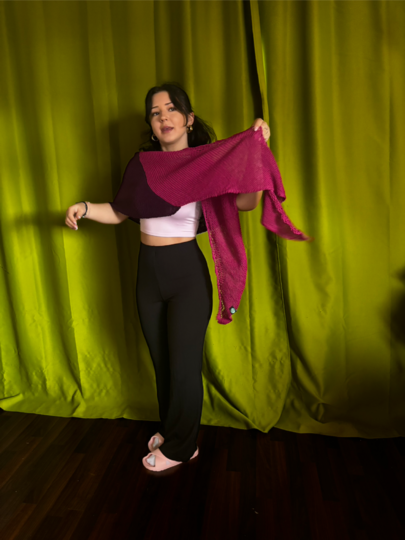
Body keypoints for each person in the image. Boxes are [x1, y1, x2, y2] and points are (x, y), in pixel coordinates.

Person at [65, 83, 270, 472]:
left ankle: (181, 447)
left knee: (184, 365)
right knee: (163, 362)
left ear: (189, 119)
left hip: (186, 275)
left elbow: (245, 202)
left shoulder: (207, 164)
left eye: (172, 109)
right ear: (151, 124)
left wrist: (259, 153)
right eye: (155, 112)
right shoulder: (142, 165)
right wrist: (85, 207)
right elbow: (120, 211)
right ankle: (175, 432)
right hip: (148, 274)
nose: (164, 117)